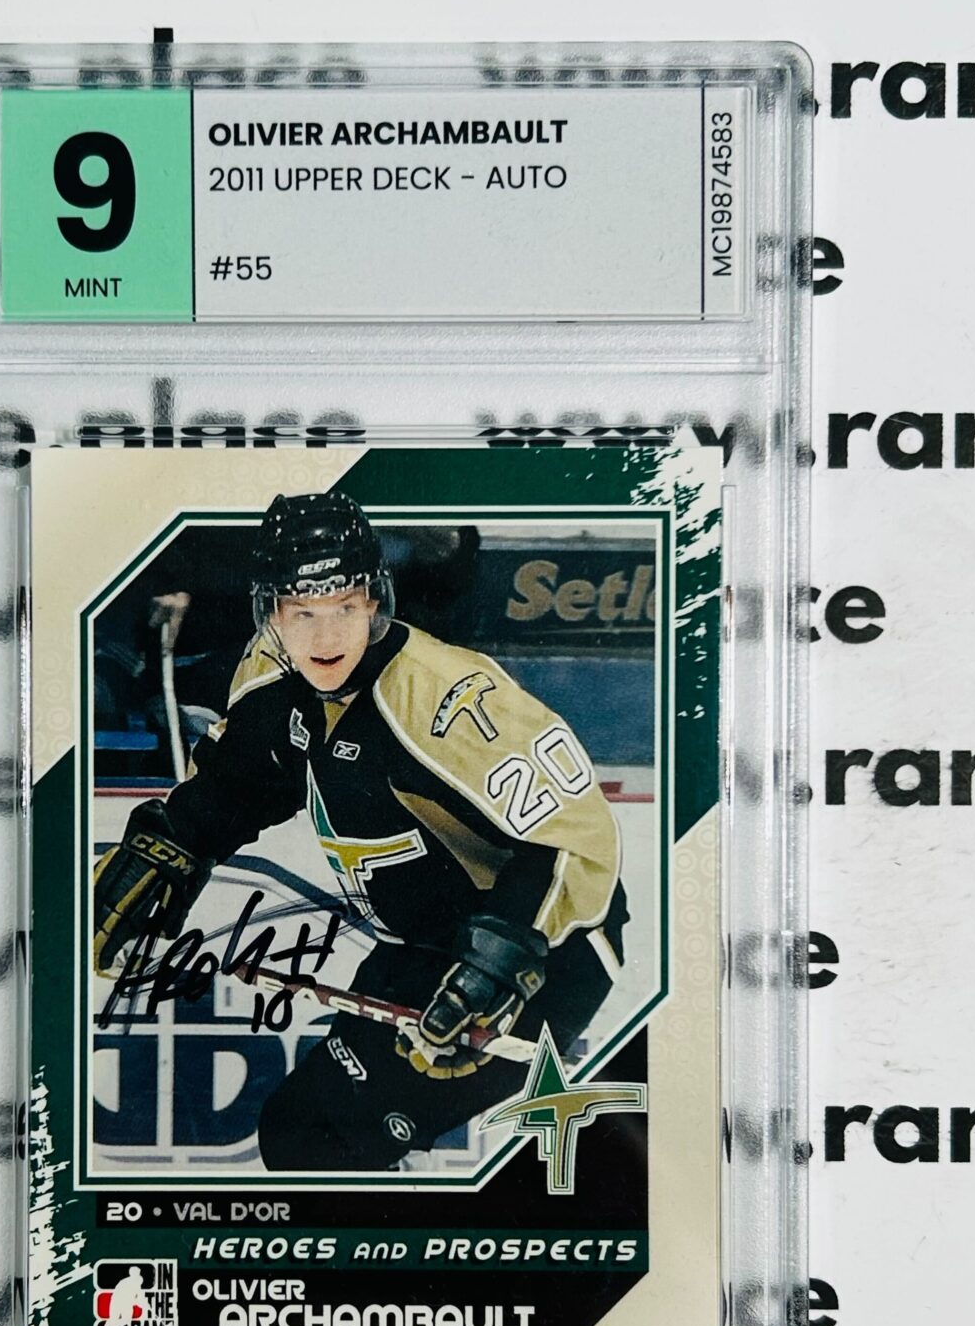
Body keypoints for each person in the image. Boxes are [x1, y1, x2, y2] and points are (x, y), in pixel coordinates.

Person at [93, 491, 628, 1172]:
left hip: (542, 957)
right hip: (417, 955)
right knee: (300, 1130)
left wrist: (495, 968)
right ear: (270, 613)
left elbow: (574, 839)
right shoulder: (271, 676)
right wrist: (171, 843)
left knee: (321, 1143)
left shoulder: (443, 696)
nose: (326, 639)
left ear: (375, 601)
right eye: (303, 612)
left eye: (345, 608)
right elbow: (240, 781)